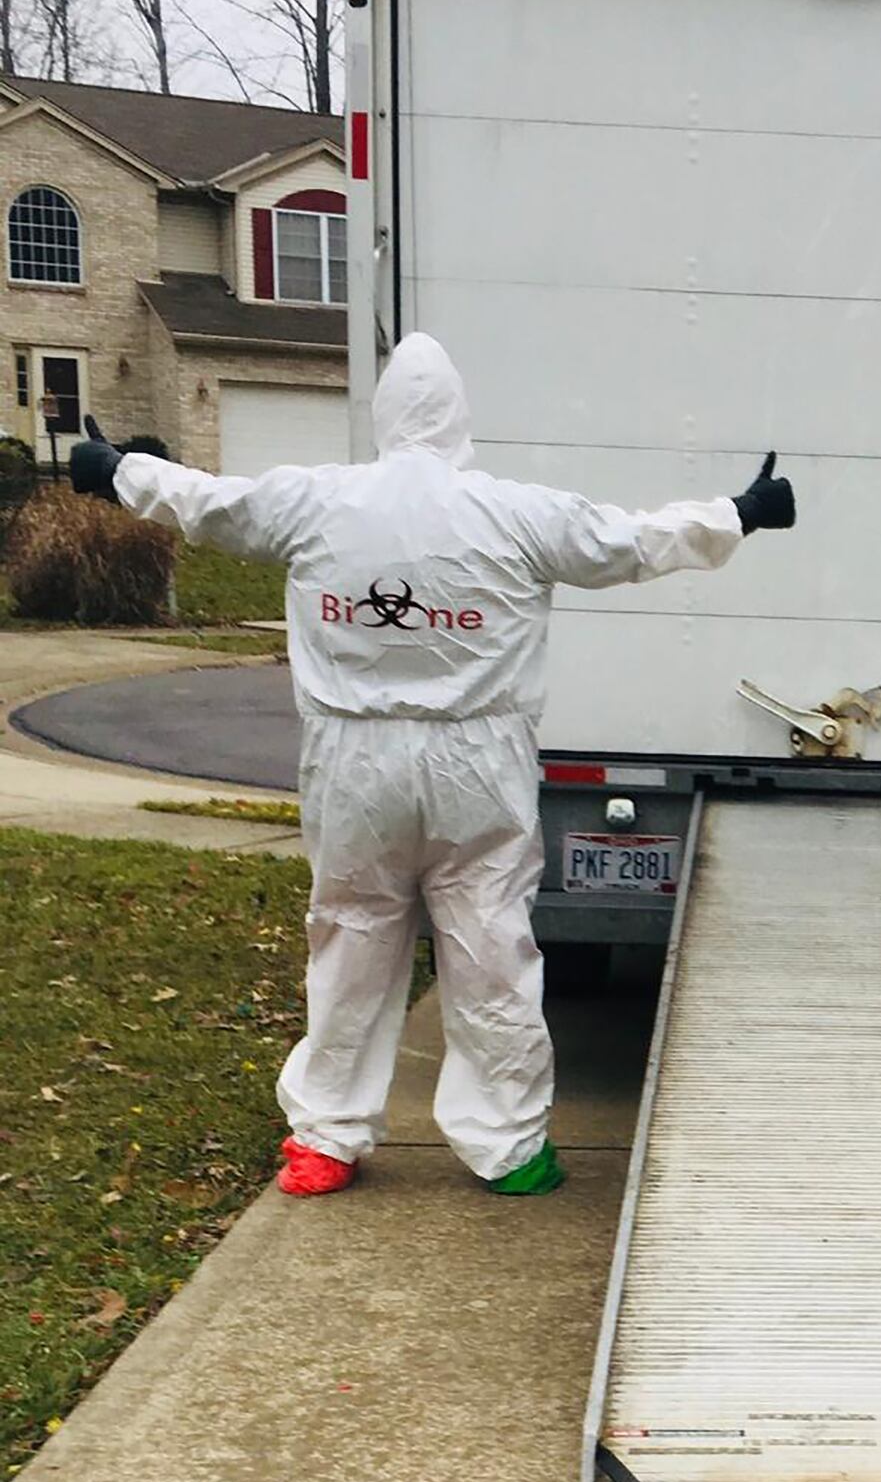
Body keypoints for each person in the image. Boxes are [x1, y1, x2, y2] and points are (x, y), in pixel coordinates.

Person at [71, 334, 797, 1198]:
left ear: (383, 416)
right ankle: (510, 1146)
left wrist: (115, 467)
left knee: (350, 938)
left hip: (354, 762)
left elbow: (206, 502)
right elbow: (632, 544)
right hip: (475, 759)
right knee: (491, 947)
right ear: (459, 418)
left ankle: (326, 1139)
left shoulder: (317, 501)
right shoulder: (514, 511)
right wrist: (741, 511)